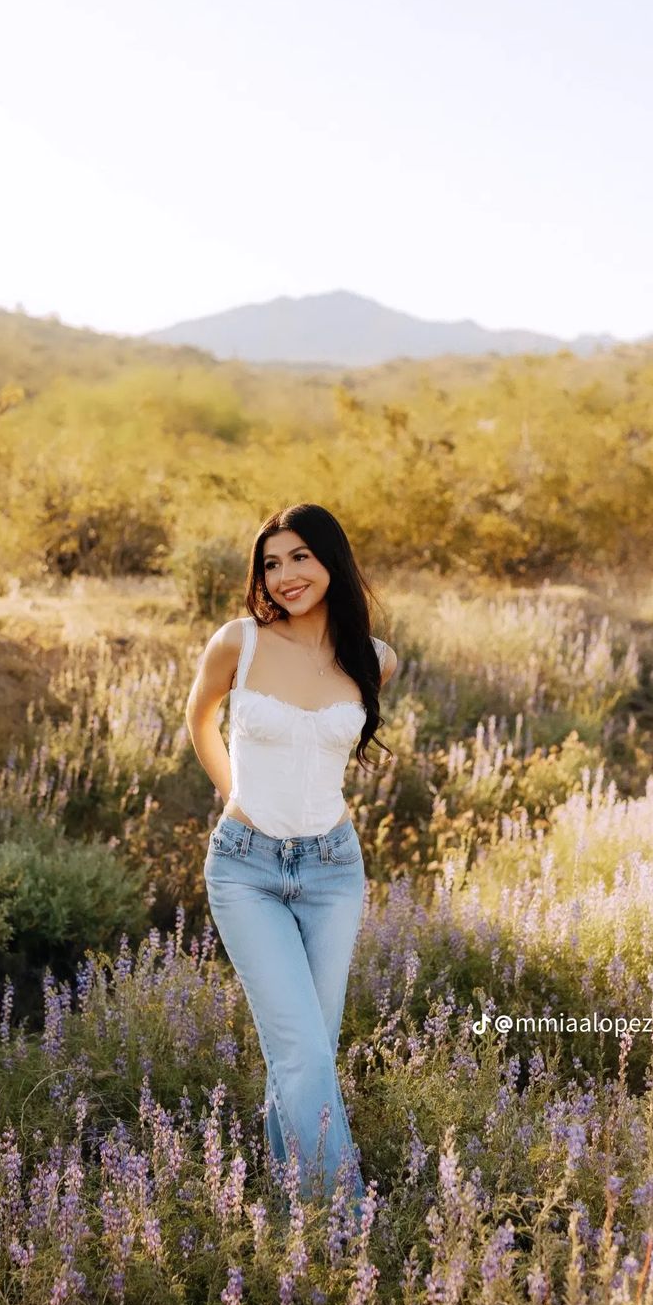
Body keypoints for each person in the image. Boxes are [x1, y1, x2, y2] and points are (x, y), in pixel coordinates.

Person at [185, 503, 397, 1225]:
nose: (284, 576)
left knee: (305, 1050)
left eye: (299, 557)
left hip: (334, 869)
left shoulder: (375, 657)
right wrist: (231, 792)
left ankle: (291, 1209)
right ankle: (342, 1221)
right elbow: (198, 716)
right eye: (271, 563)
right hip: (247, 868)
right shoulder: (238, 641)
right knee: (304, 1051)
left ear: (331, 559)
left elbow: (329, 746)